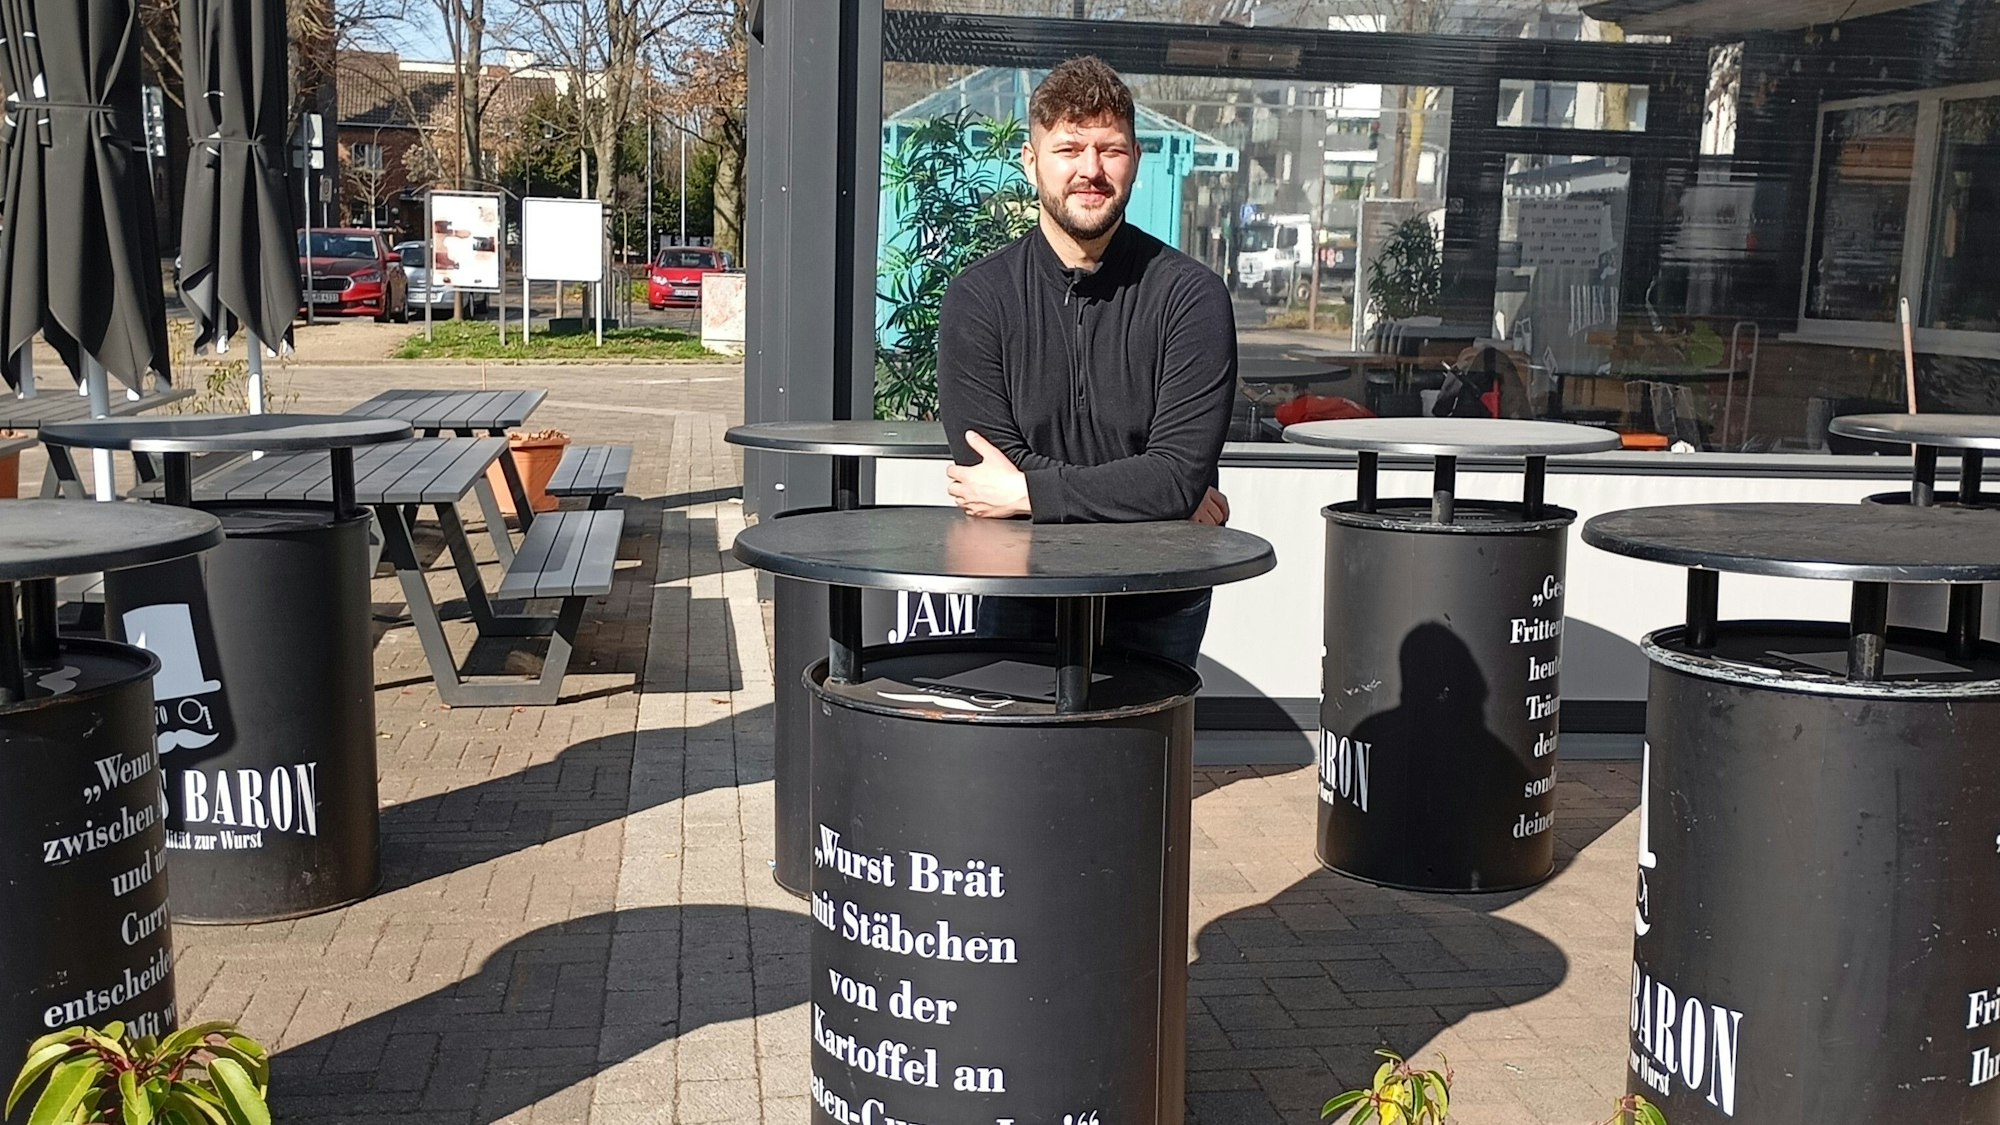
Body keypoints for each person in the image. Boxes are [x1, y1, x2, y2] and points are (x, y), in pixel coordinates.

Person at [936, 56, 1237, 670]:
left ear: (1136, 161)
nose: (1091, 171)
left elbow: (1177, 475)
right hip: (1020, 585)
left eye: (1111, 150)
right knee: (1019, 763)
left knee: (1143, 760)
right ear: (1031, 160)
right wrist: (1150, 496)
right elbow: (986, 466)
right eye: (1069, 148)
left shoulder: (1191, 296)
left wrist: (1027, 491)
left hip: (1157, 592)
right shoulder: (979, 299)